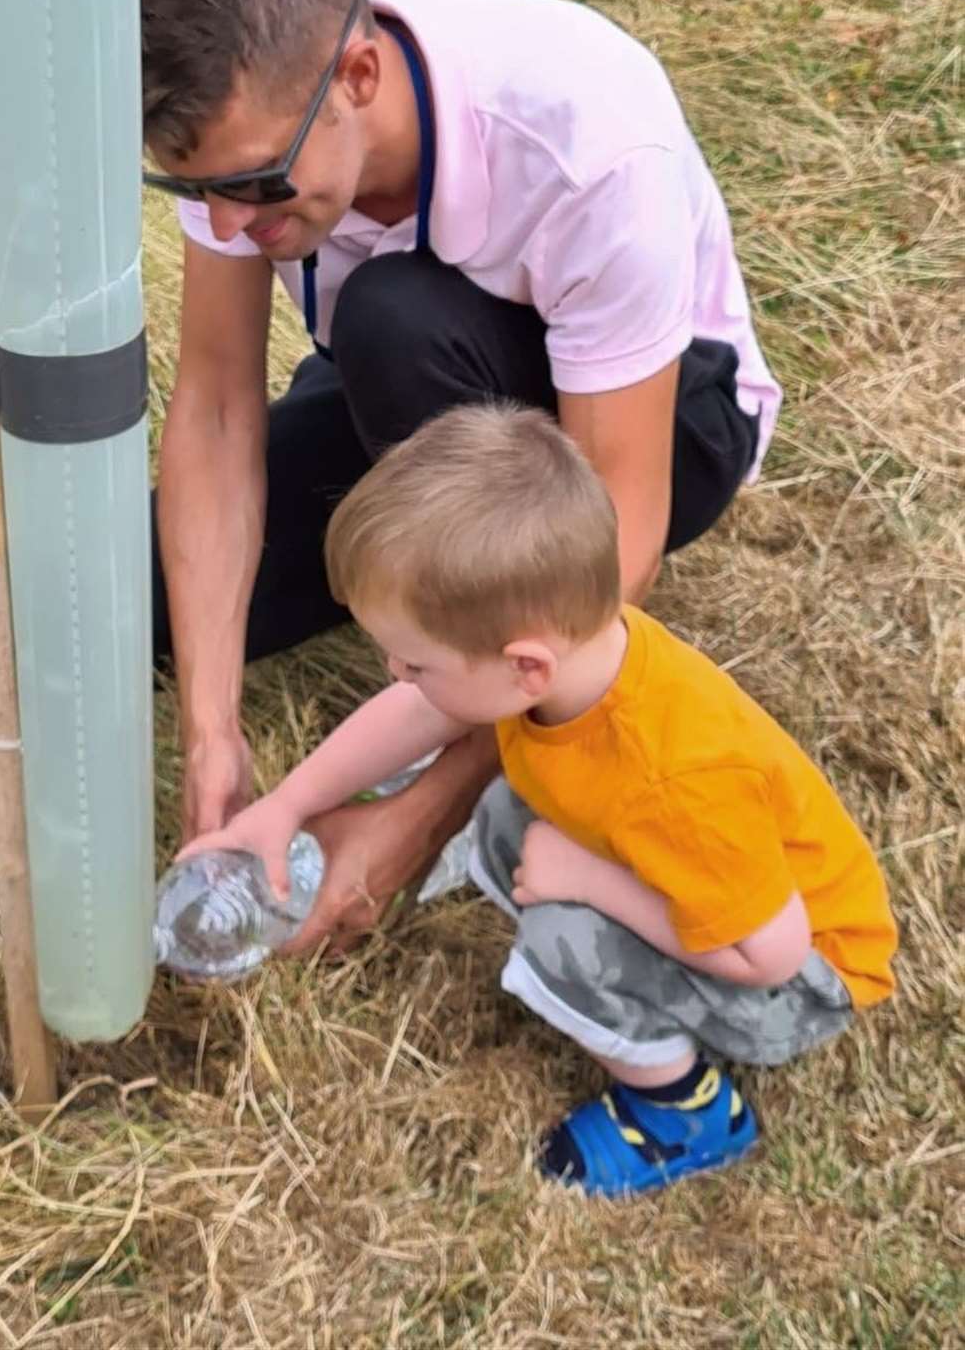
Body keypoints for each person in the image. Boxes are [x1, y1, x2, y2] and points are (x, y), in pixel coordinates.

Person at [140, 0, 782, 951]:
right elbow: (211, 414)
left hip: (659, 424)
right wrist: (213, 734)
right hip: (416, 394)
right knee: (144, 602)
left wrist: (411, 820)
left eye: (252, 187)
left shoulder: (588, 138)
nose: (225, 223)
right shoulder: (246, 126)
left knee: (393, 321)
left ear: (356, 78)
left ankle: (450, 655)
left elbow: (608, 552)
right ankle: (425, 614)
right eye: (190, 191)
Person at [183, 405, 897, 1200]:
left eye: (413, 660)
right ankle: (612, 967)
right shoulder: (572, 656)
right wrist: (284, 805)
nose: (393, 672)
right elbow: (422, 712)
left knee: (566, 935)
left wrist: (591, 885)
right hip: (717, 899)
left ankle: (684, 1111)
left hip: (797, 977)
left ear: (523, 668)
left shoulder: (680, 780)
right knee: (505, 817)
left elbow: (767, 953)